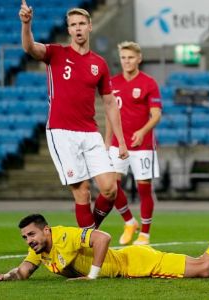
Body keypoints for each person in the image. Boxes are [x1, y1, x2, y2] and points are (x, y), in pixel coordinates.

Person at [19, 1, 128, 229]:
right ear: (68, 30)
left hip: (90, 132)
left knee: (110, 189)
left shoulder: (99, 63)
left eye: (81, 24)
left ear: (90, 26)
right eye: (73, 24)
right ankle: (88, 242)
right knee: (83, 191)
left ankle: (88, 233)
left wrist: (121, 140)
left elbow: (109, 102)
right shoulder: (55, 53)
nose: (77, 28)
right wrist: (26, 24)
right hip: (62, 131)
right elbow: (30, 48)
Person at [0, 207, 209, 282]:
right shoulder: (39, 250)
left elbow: (102, 238)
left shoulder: (64, 236)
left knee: (204, 267)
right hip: (133, 262)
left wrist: (91, 276)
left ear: (46, 230)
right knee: (201, 264)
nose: (29, 242)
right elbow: (24, 271)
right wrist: (6, 276)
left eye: (32, 236)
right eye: (26, 238)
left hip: (136, 263)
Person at [99, 41, 162, 246]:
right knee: (111, 186)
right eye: (124, 57)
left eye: (131, 57)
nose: (127, 61)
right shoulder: (112, 82)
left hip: (142, 145)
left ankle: (145, 234)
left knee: (144, 188)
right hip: (118, 143)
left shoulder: (149, 83)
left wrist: (143, 131)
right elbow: (110, 115)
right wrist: (107, 141)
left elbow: (156, 114)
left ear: (139, 59)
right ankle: (129, 221)